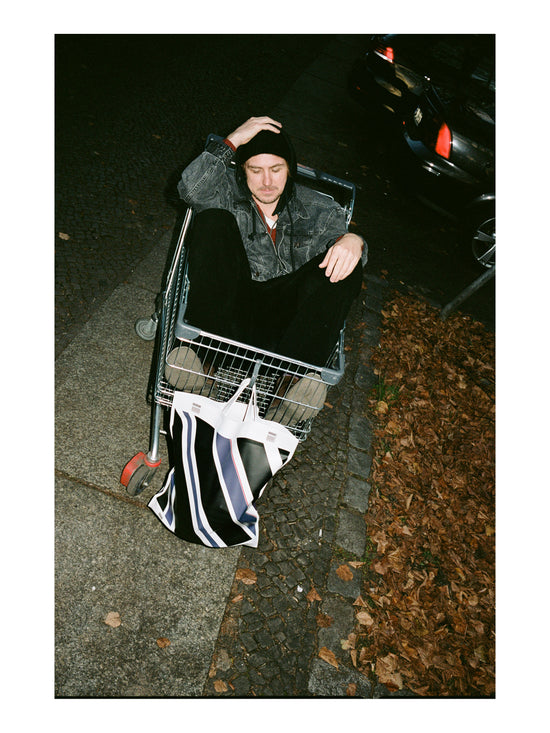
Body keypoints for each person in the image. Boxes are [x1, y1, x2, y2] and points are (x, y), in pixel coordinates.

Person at [166, 116, 367, 424]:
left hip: (287, 335)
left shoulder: (319, 208)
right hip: (227, 320)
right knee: (212, 220)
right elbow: (189, 189)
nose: (267, 181)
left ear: (290, 169)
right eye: (255, 170)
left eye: (276, 169)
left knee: (346, 259)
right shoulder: (226, 192)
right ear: (242, 170)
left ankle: (289, 389)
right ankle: (203, 366)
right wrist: (234, 139)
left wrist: (354, 241)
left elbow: (345, 258)